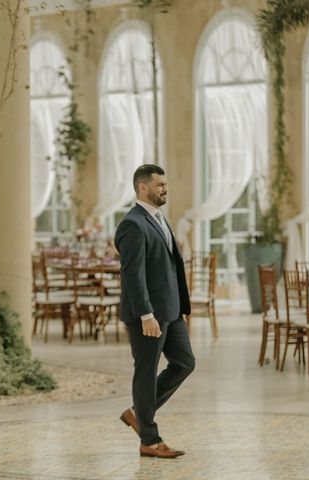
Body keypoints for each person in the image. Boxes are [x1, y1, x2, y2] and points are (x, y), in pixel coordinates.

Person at [114, 164, 195, 459]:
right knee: (146, 373)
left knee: (185, 363)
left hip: (171, 312)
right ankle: (149, 440)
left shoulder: (159, 219)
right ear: (142, 188)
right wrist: (146, 314)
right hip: (148, 315)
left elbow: (171, 267)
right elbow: (133, 275)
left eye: (165, 184)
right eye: (159, 184)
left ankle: (138, 412)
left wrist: (182, 306)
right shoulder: (132, 224)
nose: (165, 189)